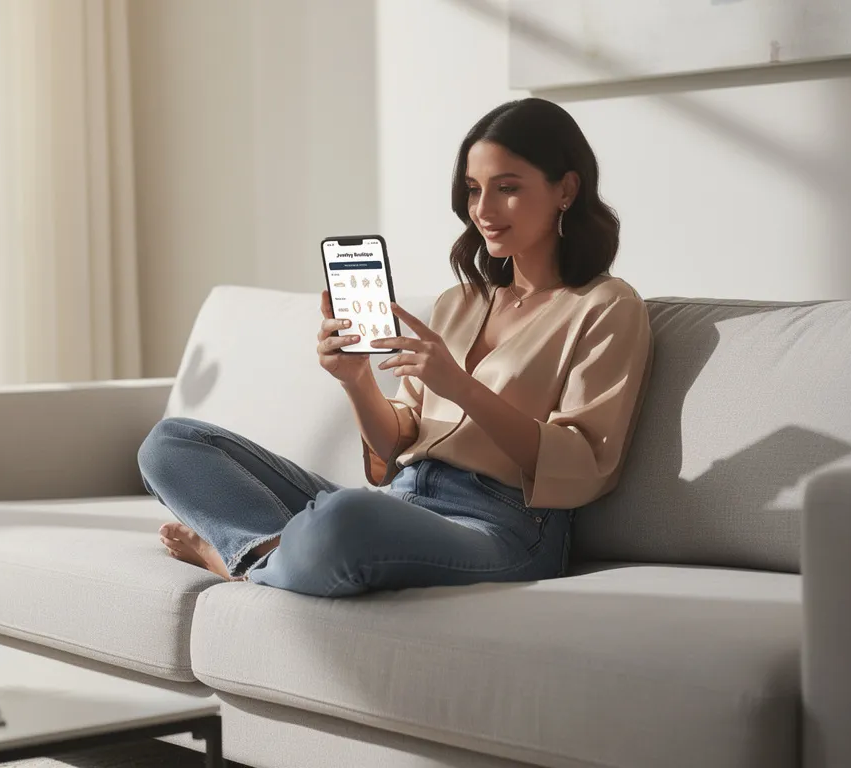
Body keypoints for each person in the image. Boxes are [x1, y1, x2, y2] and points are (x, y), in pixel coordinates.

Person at [138, 98, 653, 598]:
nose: (483, 210)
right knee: (171, 443)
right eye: (473, 190)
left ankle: (243, 559)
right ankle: (273, 553)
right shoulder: (462, 302)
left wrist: (460, 387)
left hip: (505, 528)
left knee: (344, 519)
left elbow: (584, 464)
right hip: (405, 498)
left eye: (508, 188)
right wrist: (356, 380)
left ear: (566, 189)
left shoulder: (606, 307)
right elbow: (394, 446)